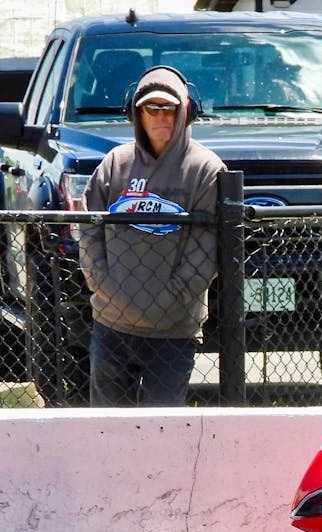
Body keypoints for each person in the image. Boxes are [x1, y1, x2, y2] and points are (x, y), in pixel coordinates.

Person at [80, 66, 226, 405]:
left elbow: (207, 251)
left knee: (161, 429)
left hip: (173, 330)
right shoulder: (115, 163)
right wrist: (103, 284)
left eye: (170, 108)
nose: (162, 117)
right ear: (138, 113)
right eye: (152, 108)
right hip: (111, 324)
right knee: (106, 429)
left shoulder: (205, 170)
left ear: (185, 112)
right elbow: (89, 230)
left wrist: (169, 298)